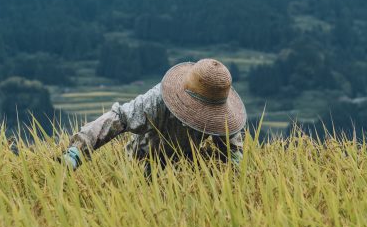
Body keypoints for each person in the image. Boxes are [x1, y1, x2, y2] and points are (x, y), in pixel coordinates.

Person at [61, 58, 246, 171]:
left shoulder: (222, 113)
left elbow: (232, 151)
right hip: (143, 162)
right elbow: (118, 118)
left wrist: (239, 175)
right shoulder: (158, 100)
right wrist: (78, 150)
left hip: (187, 164)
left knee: (216, 165)